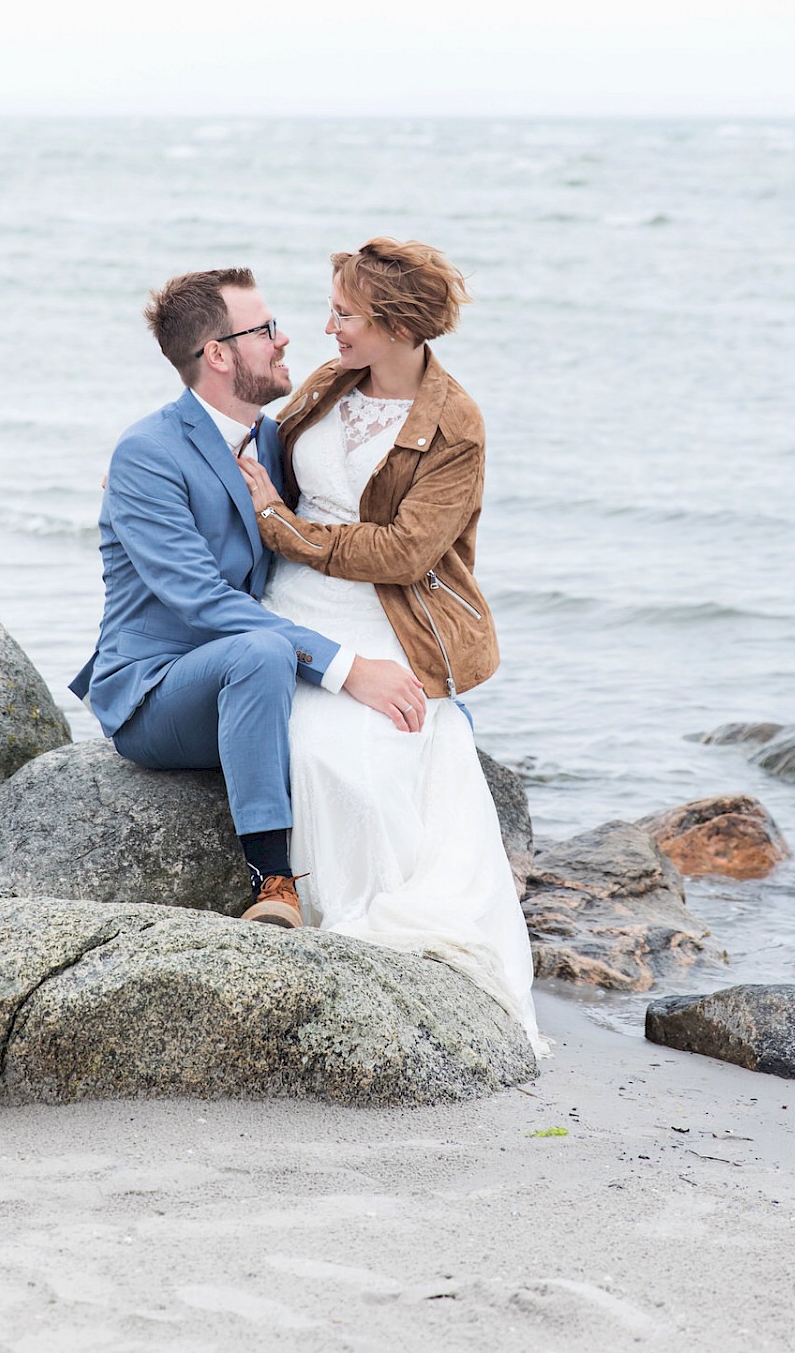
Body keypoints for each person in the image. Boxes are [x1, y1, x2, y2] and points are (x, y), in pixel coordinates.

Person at [237, 238, 544, 1056]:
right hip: (292, 601)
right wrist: (167, 468)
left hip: (389, 614)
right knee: (305, 738)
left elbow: (405, 552)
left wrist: (284, 529)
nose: (327, 327)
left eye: (346, 314)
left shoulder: (456, 425)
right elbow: (260, 450)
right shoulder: (333, 382)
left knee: (366, 757)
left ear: (399, 326)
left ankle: (376, 958)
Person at [69, 267, 427, 928]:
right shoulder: (148, 453)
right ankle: (274, 883)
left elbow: (318, 530)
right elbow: (203, 602)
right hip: (156, 688)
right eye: (265, 330)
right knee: (263, 652)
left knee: (375, 727)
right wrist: (350, 669)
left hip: (254, 674)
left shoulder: (273, 441)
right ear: (218, 355)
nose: (286, 338)